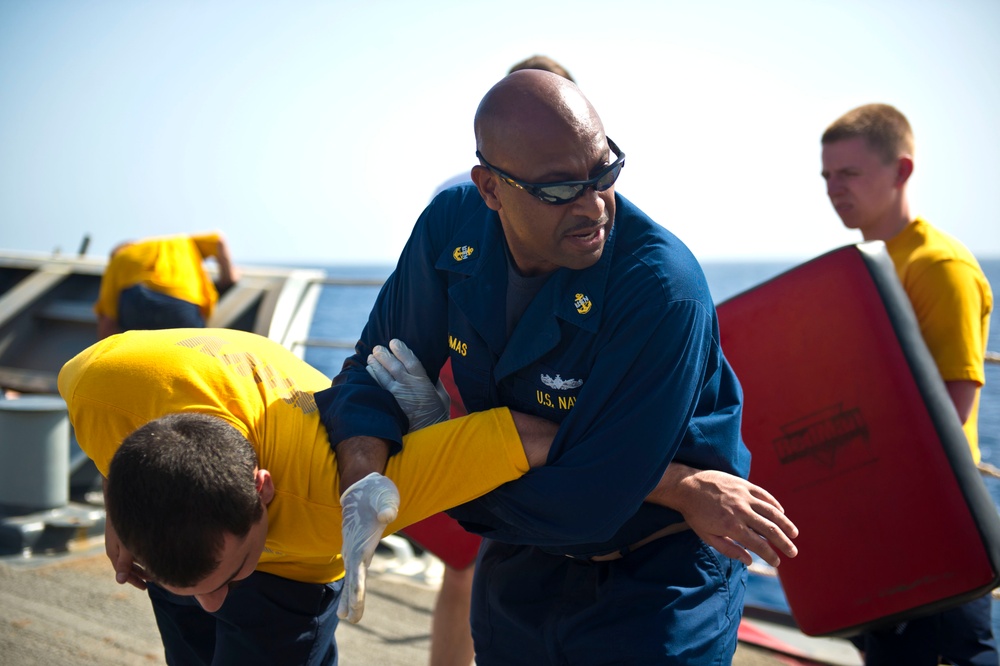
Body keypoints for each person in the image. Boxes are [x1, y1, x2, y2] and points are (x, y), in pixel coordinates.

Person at [316, 70, 800, 664]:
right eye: (560, 189)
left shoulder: (660, 289)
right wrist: (364, 480)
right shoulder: (450, 227)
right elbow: (373, 371)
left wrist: (431, 459)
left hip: (656, 584)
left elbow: (588, 501)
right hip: (519, 574)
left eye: (604, 172)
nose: (593, 206)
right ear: (490, 189)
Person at [57, 327, 557, 665]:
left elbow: (529, 436)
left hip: (299, 563)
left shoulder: (337, 493)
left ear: (263, 489)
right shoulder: (94, 389)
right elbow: (116, 433)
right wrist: (119, 503)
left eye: (231, 574)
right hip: (169, 414)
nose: (211, 606)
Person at [407, 53, 577, 666]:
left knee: (467, 561)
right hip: (526, 391)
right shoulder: (582, 194)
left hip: (470, 385)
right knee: (517, 557)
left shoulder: (454, 191)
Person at [821, 103, 995, 665]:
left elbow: (954, 406)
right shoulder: (858, 264)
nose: (834, 189)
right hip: (882, 516)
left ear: (901, 171)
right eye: (827, 176)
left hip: (937, 522)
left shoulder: (938, 266)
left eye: (849, 173)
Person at [94, 231, 239, 339]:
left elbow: (108, 321)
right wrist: (228, 279)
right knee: (192, 348)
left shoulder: (119, 258)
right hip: (180, 304)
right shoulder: (180, 241)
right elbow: (219, 240)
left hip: (136, 303)